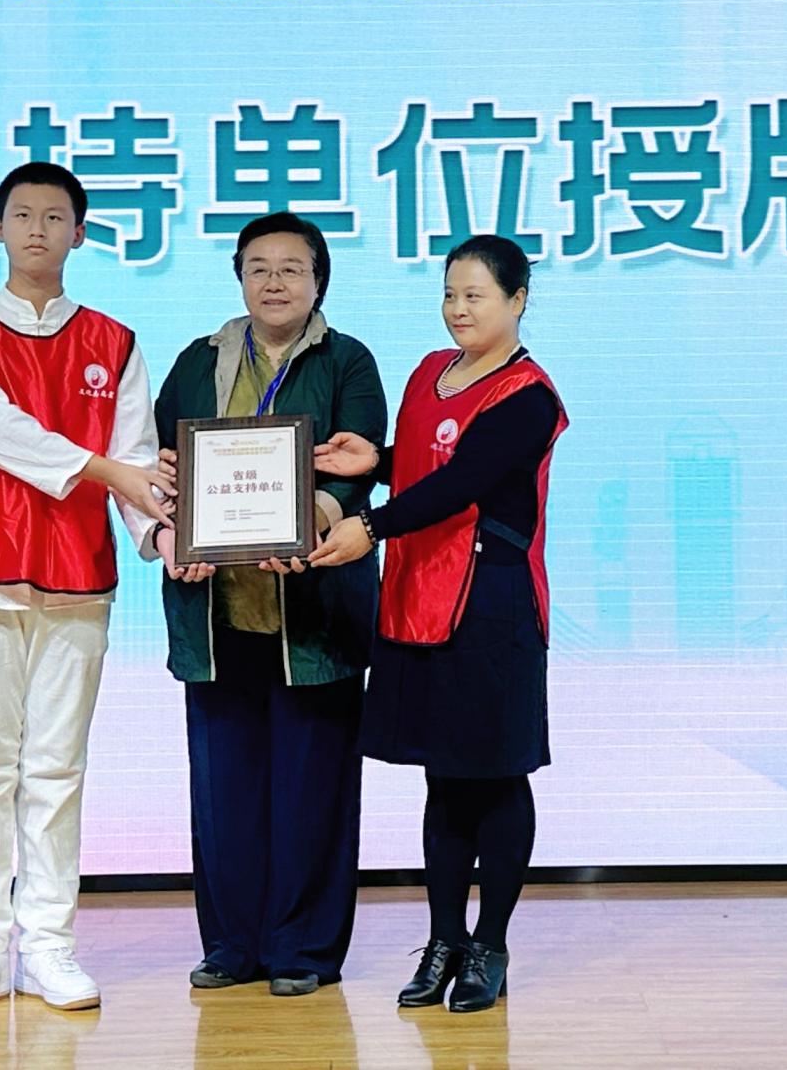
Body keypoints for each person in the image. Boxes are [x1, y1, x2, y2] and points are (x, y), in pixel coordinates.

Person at [0, 161, 174, 1019]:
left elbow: (138, 458)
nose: (36, 229)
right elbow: (0, 435)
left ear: (79, 233)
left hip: (77, 571)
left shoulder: (113, 340)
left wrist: (160, 536)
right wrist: (111, 473)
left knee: (57, 767)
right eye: (21, 214)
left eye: (54, 216)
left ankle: (49, 945)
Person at [310, 234, 567, 1014]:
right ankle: (443, 939)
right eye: (450, 293)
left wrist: (369, 523)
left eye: (475, 295)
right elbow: (427, 464)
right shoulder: (429, 370)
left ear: (518, 300)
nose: (458, 308)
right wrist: (375, 461)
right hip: (421, 593)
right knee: (443, 774)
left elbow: (465, 481)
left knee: (495, 772)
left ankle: (489, 944)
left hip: (490, 603)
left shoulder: (527, 395)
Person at [146, 212, 388, 996]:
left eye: (291, 267)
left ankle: (303, 949)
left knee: (313, 791)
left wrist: (313, 514)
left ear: (319, 280)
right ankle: (231, 946)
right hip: (215, 612)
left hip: (312, 611)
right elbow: (162, 467)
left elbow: (361, 465)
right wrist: (168, 531)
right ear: (239, 278)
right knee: (224, 792)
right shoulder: (197, 360)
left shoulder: (346, 360)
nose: (274, 281)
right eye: (258, 267)